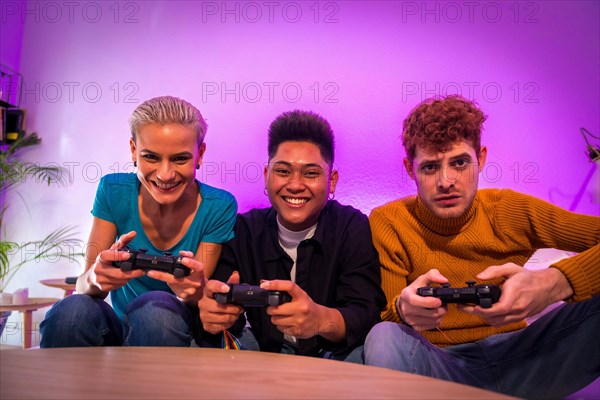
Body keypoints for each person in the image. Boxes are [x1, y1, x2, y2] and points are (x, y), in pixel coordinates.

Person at [364, 95, 600, 398]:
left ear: (482, 158)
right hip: (439, 367)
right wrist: (402, 309)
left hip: (525, 358)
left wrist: (555, 283)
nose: (446, 181)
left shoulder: (509, 209)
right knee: (383, 335)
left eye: (460, 162)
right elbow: (385, 326)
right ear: (410, 169)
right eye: (430, 167)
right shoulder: (389, 221)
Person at [40, 96, 237, 347]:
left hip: (174, 327)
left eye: (180, 159)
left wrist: (196, 291)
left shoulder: (218, 205)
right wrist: (95, 279)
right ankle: (67, 387)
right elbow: (85, 286)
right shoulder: (113, 190)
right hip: (119, 326)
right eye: (151, 157)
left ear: (200, 154)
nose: (165, 174)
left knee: (155, 309)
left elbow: (194, 296)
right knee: (72, 310)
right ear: (134, 150)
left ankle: (145, 386)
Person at [198, 110, 386, 362]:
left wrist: (319, 320)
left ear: (332, 181)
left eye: (311, 173)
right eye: (283, 171)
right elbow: (224, 315)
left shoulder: (351, 226)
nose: (295, 185)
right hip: (262, 357)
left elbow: (365, 314)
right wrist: (215, 315)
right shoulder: (244, 230)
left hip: (333, 358)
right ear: (266, 177)